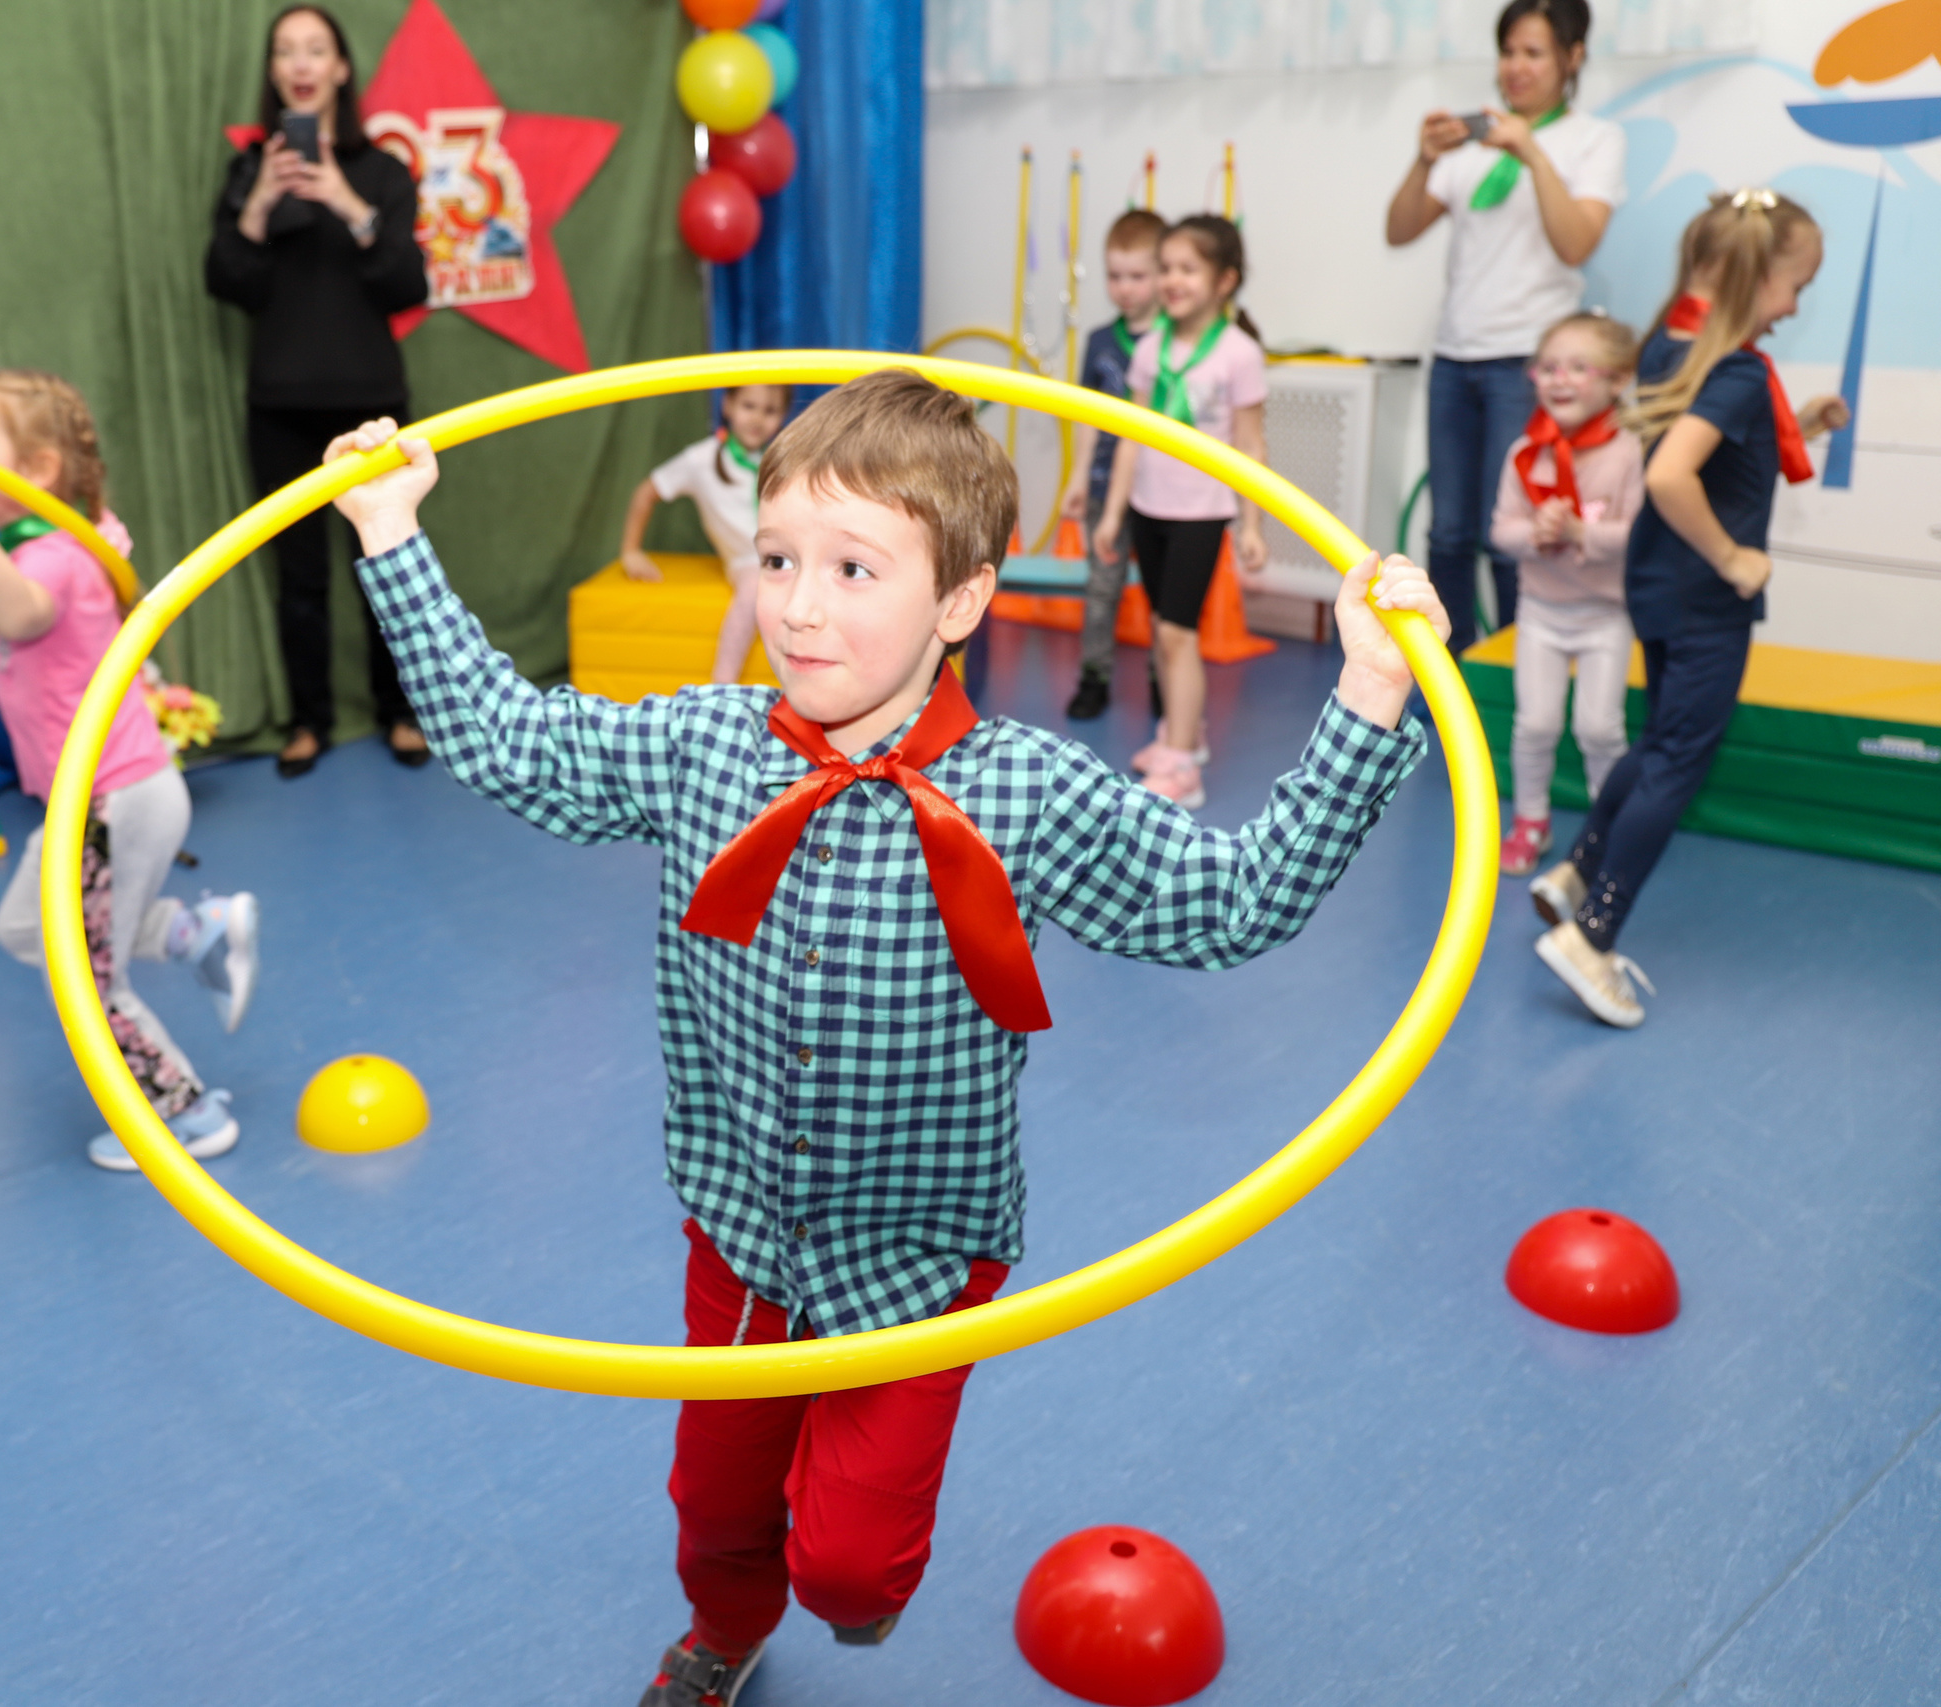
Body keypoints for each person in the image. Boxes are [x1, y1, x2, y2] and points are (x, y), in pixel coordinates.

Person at [317, 369, 1444, 1706]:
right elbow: (507, 742)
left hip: (916, 1259)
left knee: (852, 1568)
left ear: (961, 600)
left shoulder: (1026, 790)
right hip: (737, 1231)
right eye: (779, 554)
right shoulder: (702, 746)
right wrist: (390, 530)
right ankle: (726, 1623)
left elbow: (1232, 902)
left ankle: (841, 1577)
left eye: (855, 567)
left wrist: (1371, 688)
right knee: (714, 1502)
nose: (796, 603)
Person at [0, 371, 261, 1171]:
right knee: (22, 930)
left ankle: (186, 1114)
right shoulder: (78, 535)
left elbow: (17, 612)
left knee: (88, 980)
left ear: (34, 471)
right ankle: (193, 932)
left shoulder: (56, 558)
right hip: (107, 798)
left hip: (113, 802)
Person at [1530, 190, 1847, 1028]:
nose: (1794, 307)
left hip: (1657, 585)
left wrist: (1801, 423)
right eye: (1794, 287)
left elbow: (1717, 450)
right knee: (1680, 762)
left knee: (1661, 741)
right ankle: (1592, 936)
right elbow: (1674, 476)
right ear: (1751, 277)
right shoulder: (1736, 370)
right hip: (1704, 596)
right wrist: (1734, 556)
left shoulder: (1674, 346)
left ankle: (1576, 870)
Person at [205, 3, 432, 779]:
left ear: (340, 68)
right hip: (280, 406)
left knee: (388, 564)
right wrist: (263, 202)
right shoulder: (248, 173)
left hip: (371, 402)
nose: (300, 63)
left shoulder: (381, 173)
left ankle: (403, 711)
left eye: (316, 49)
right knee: (298, 578)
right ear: (273, 72)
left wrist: (346, 201)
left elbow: (407, 282)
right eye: (285, 51)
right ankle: (309, 721)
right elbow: (226, 281)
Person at [1386, 0, 1626, 652]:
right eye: (1508, 51)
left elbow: (1577, 242)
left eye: (1534, 52)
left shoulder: (1593, 139)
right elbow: (1399, 229)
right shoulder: (1472, 146)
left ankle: (1515, 675)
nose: (1515, 67)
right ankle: (1447, 676)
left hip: (1529, 367)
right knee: (1449, 533)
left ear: (1572, 58)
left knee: (1511, 532)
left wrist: (1534, 154)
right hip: (1455, 358)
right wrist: (1422, 159)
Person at [1091, 215, 1269, 810]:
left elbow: (1250, 446)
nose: (1172, 279)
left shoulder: (1239, 354)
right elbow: (1130, 438)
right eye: (1166, 267)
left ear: (1225, 280)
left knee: (1177, 632)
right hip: (1149, 506)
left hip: (1200, 511)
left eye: (1187, 268)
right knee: (1163, 635)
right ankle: (1177, 732)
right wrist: (1113, 514)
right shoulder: (1148, 350)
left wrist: (1251, 524)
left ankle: (1184, 762)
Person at [1492, 311, 1644, 875]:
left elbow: (1641, 534)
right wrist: (1535, 535)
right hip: (1541, 612)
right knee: (1535, 724)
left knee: (1599, 727)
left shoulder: (1628, 453)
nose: (1560, 379)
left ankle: (1613, 826)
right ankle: (1530, 819)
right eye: (1549, 367)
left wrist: (1583, 534)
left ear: (1618, 379)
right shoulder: (1525, 454)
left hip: (1606, 615)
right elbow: (1500, 528)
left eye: (1579, 367)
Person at [1058, 208, 1168, 721]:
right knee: (1101, 587)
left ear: (1161, 274)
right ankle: (1094, 677)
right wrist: (1078, 476)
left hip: (1162, 488)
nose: (1124, 288)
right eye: (1115, 276)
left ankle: (1162, 681)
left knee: (1163, 597)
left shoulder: (1175, 343)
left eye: (1137, 276)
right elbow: (1086, 416)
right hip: (1105, 484)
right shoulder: (1101, 343)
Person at [621, 385, 793, 685]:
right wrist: (630, 550)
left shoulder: (783, 458)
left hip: (792, 556)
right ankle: (721, 687)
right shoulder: (700, 459)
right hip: (748, 561)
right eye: (749, 406)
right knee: (756, 587)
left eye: (770, 411)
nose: (757, 418)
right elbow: (645, 493)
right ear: (727, 405)